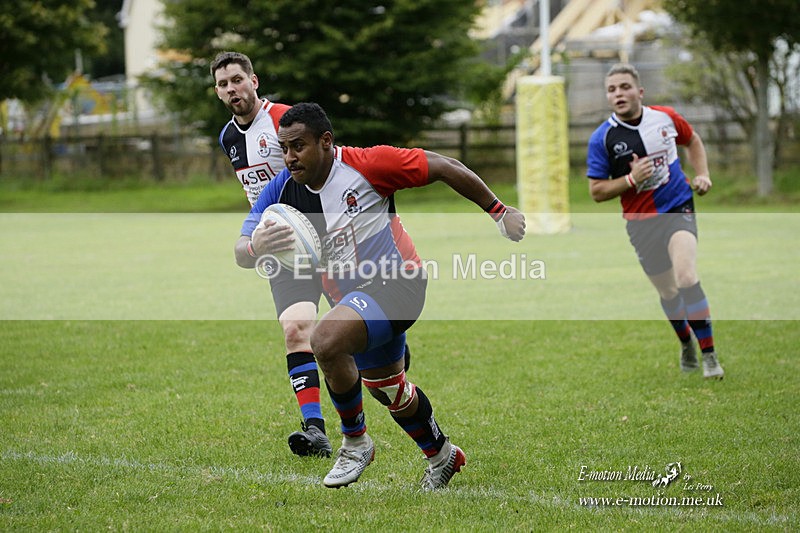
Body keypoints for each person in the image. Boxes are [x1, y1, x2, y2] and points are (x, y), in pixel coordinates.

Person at [235, 102, 525, 490]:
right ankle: (442, 454)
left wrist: (499, 211)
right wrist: (257, 246)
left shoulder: (368, 165)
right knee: (388, 389)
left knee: (324, 339)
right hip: (355, 300)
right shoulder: (283, 190)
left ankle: (355, 443)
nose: (290, 157)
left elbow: (443, 166)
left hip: (399, 284)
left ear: (325, 141)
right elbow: (240, 250)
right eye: (284, 148)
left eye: (298, 146)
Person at [212, 51, 332, 457]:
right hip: (280, 245)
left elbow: (329, 163)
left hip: (328, 237)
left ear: (254, 81)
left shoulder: (284, 118)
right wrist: (257, 239)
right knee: (296, 329)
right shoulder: (227, 137)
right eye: (223, 84)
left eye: (236, 80)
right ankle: (314, 430)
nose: (232, 89)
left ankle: (390, 352)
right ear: (217, 92)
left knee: (361, 335)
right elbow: (256, 199)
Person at [586, 63, 724, 379]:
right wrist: (631, 180)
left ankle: (710, 356)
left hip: (678, 207)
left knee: (687, 276)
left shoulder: (665, 117)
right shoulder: (602, 139)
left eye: (624, 87)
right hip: (641, 222)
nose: (618, 93)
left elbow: (693, 141)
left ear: (639, 91)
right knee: (669, 293)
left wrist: (702, 174)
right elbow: (596, 191)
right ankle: (686, 342)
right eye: (612, 89)